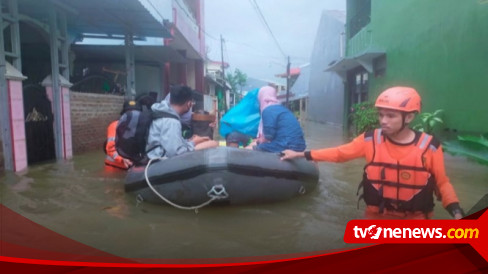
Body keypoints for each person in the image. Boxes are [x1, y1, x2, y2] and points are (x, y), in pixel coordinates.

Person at [281, 86, 464, 220]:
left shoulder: (430, 146)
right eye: (381, 115)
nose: (383, 121)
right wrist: (300, 155)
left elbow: (442, 183)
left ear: (409, 117)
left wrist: (456, 212)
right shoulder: (369, 140)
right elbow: (339, 154)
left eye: (390, 116)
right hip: (376, 219)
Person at [146, 85, 218, 159]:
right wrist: (194, 143)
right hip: (160, 162)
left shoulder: (164, 112)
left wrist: (191, 141)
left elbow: (172, 144)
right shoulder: (171, 122)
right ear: (189, 103)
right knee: (213, 144)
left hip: (157, 156)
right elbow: (176, 154)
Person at [246, 86, 306, 153]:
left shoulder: (268, 110)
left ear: (261, 98)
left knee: (249, 149)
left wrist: (258, 141)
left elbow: (268, 137)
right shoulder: (282, 109)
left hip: (286, 145)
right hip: (299, 145)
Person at [104, 101, 136, 169]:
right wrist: (122, 159)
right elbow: (110, 148)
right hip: (114, 167)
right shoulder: (115, 126)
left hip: (130, 167)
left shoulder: (139, 127)